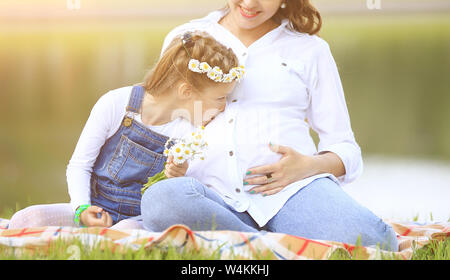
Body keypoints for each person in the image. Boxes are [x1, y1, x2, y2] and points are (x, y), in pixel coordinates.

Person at [140, 0, 399, 251]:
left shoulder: (310, 50)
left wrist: (309, 166)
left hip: (292, 194)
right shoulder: (186, 39)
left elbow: (346, 148)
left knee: (375, 240)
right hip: (211, 197)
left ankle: (245, 244)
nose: (250, 3)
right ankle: (277, 247)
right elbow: (163, 118)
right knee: (160, 201)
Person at [8, 31, 241, 229]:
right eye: (220, 98)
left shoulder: (190, 132)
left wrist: (175, 176)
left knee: (122, 232)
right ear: (186, 92)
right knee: (25, 219)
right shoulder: (116, 103)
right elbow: (80, 165)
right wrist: (82, 209)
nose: (223, 107)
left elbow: (184, 196)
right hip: (94, 206)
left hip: (140, 219)